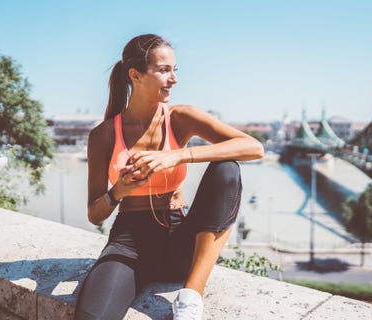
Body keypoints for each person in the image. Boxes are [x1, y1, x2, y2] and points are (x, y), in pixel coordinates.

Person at [74, 34, 264, 320]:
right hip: (129, 245)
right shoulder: (103, 135)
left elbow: (253, 147)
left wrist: (176, 155)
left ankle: (191, 297)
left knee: (227, 169)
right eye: (164, 70)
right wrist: (119, 190)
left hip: (180, 242)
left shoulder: (180, 117)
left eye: (175, 69)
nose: (173, 79)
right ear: (135, 75)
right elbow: (94, 214)